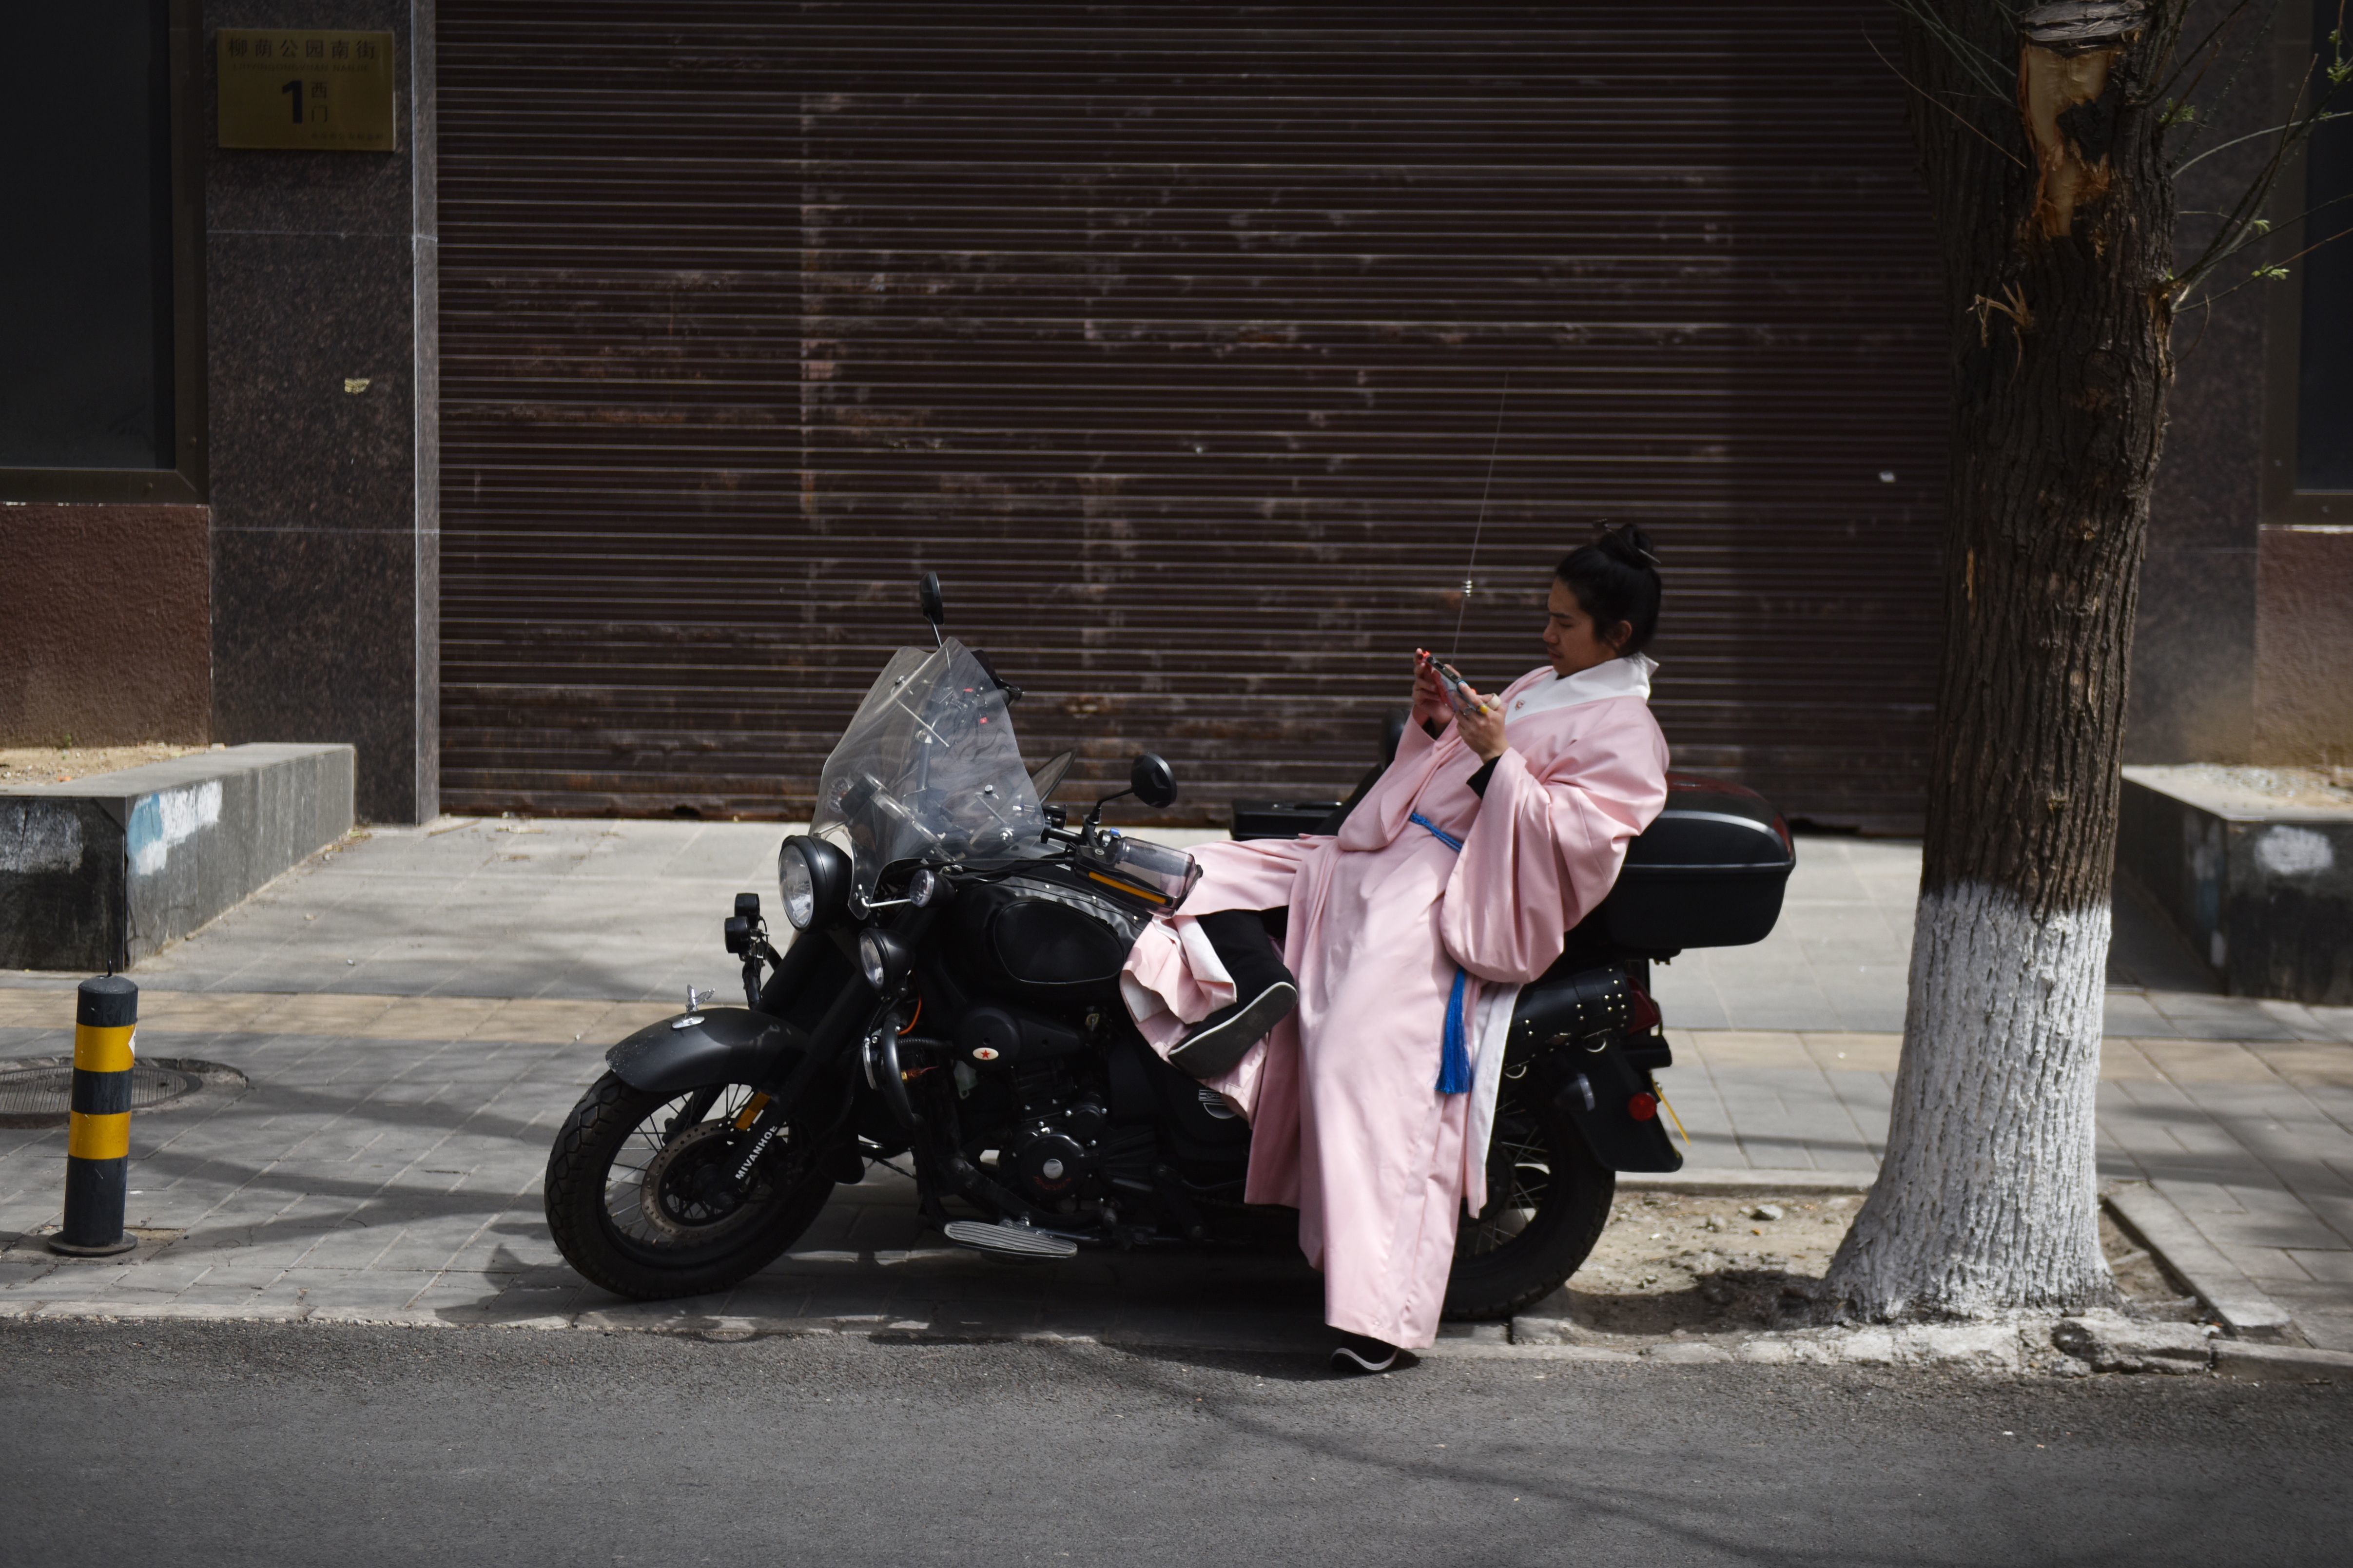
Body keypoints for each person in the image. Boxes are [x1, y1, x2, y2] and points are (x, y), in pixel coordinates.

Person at [1118, 524, 1672, 1373]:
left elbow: (1583, 845)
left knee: (1358, 1059)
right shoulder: (1545, 682)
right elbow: (1451, 765)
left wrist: (1498, 764)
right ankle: (1268, 990)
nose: (1545, 635)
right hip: (1385, 857)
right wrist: (1437, 720)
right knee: (1200, 871)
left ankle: (1379, 1317)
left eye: (1564, 623)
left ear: (1618, 637)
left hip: (1445, 890)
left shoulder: (1631, 735)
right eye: (1548, 617)